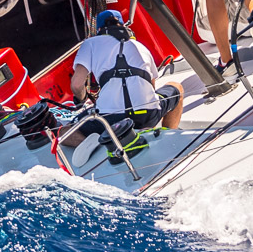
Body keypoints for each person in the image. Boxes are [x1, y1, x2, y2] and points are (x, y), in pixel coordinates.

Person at [68, 10, 182, 151]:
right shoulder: (140, 46)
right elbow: (151, 87)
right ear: (123, 26)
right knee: (176, 88)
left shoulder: (90, 44)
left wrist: (82, 99)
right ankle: (165, 139)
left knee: (66, 131)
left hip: (111, 120)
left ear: (98, 29)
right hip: (147, 116)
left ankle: (104, 148)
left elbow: (77, 85)